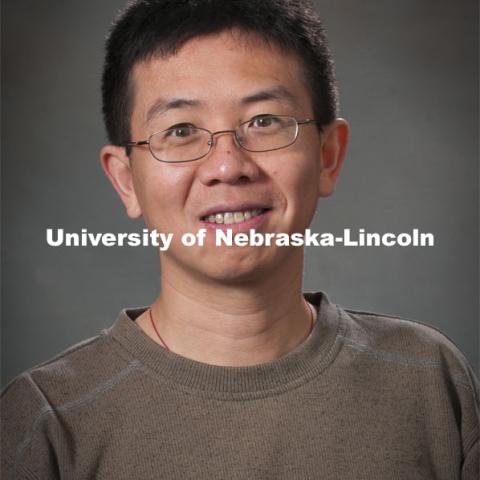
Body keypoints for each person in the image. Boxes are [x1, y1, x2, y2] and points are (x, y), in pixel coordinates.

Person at [1, 0, 478, 478]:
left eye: (265, 121)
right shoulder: (48, 420)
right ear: (126, 181)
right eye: (181, 130)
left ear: (328, 156)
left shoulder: (428, 380)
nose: (228, 166)